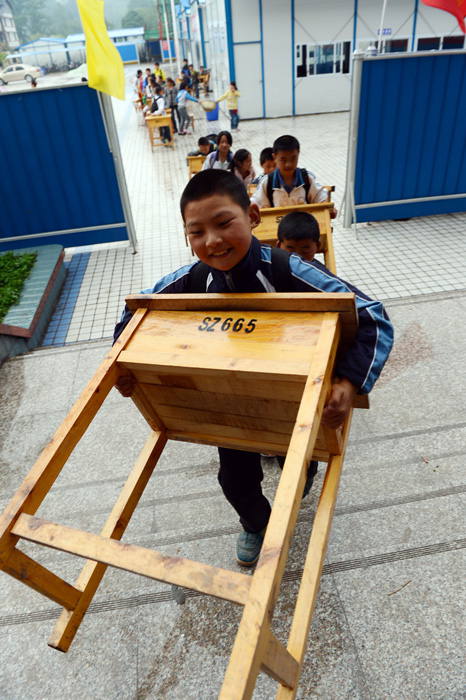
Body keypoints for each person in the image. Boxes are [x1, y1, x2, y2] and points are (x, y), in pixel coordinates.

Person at [114, 170, 394, 568]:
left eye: (224, 223)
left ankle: (299, 485)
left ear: (253, 216)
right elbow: (132, 318)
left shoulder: (289, 270)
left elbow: (373, 317)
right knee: (234, 479)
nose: (212, 240)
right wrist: (128, 368)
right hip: (229, 402)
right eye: (197, 232)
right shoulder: (191, 280)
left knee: (297, 470)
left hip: (294, 398)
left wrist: (349, 381)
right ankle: (256, 522)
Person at [252, 134, 336, 217]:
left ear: (298, 154)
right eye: (283, 159)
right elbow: (256, 205)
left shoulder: (307, 179)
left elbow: (321, 199)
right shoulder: (267, 183)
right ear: (275, 157)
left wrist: (329, 209)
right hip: (277, 229)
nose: (288, 164)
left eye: (293, 158)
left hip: (305, 228)